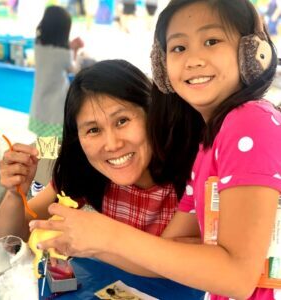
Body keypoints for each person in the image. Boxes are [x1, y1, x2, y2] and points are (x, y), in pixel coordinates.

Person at [30, 1, 281, 299]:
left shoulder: (250, 121)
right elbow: (165, 253)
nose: (193, 59)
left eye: (211, 41)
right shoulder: (208, 143)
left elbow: (237, 277)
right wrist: (86, 241)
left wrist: (107, 234)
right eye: (179, 48)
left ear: (253, 53)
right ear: (162, 67)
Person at [0, 59, 179, 243]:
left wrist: (101, 238)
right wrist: (15, 194)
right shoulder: (84, 171)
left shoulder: (192, 176)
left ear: (152, 112)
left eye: (122, 121)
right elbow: (10, 240)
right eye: (93, 130)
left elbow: (176, 261)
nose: (112, 144)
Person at [28, 5, 84, 139]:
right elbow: (75, 69)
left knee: (43, 145)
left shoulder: (38, 46)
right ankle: (53, 161)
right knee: (56, 148)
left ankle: (44, 160)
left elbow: (54, 51)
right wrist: (75, 50)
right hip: (56, 108)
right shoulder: (63, 54)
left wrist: (70, 48)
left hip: (40, 106)